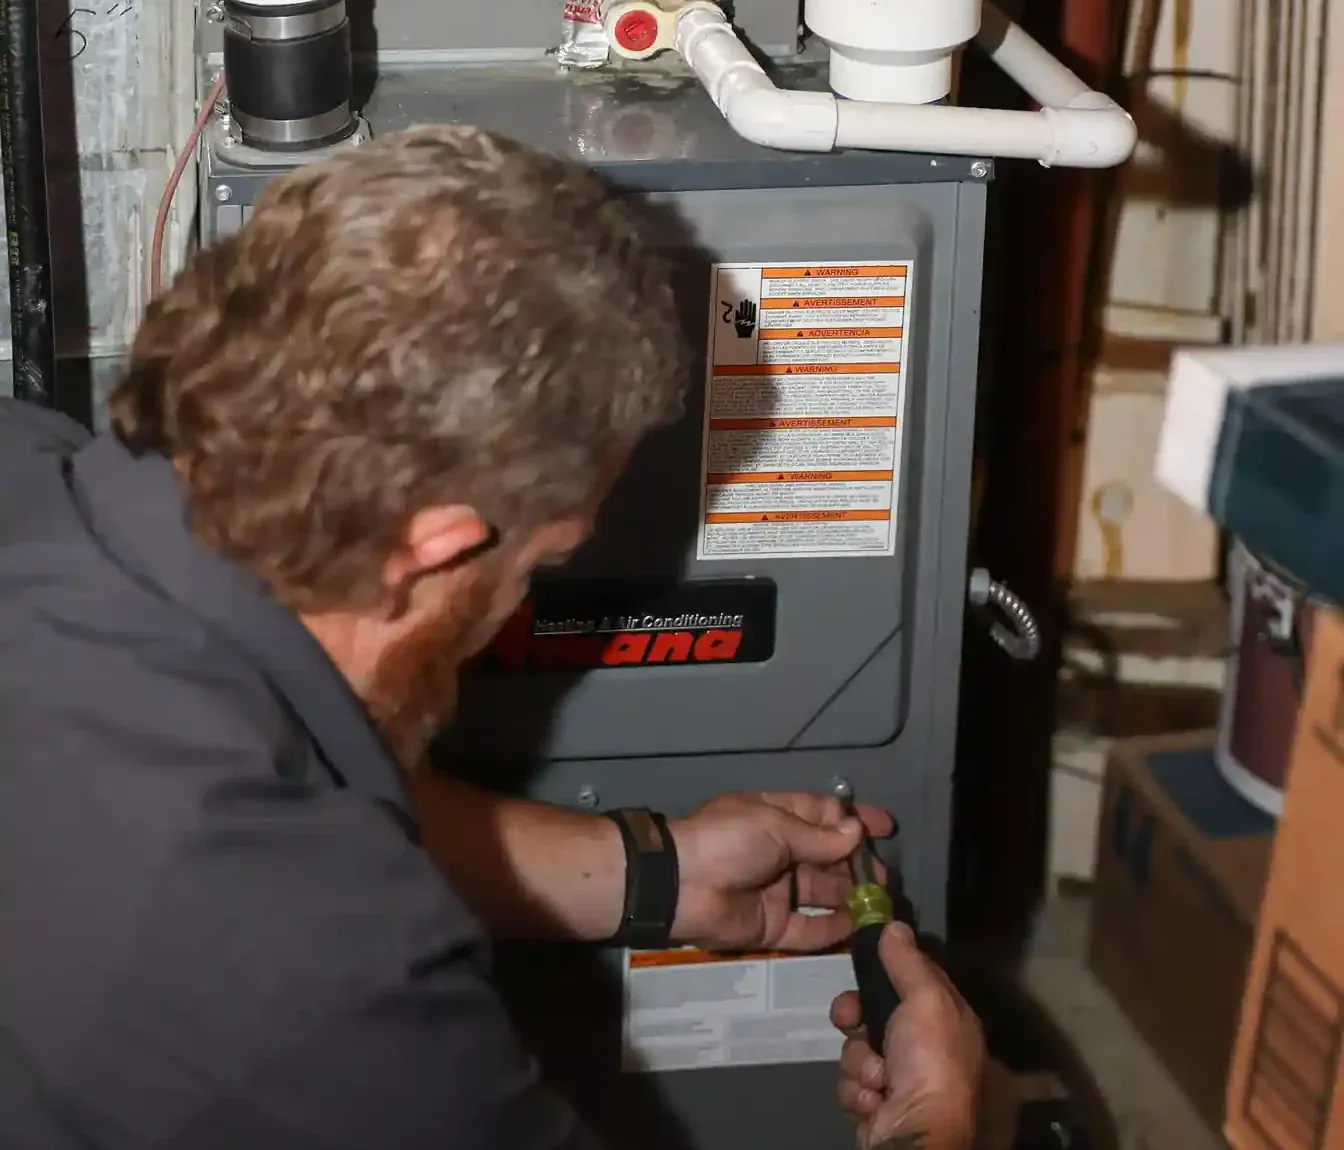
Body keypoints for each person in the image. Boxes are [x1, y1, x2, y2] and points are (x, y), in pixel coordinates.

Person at [0, 123, 982, 1149]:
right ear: (431, 551)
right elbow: (264, 886)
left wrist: (656, 873)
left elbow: (266, 788)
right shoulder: (325, 1004)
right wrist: (941, 1120)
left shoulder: (26, 471)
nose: (519, 604)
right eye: (538, 563)